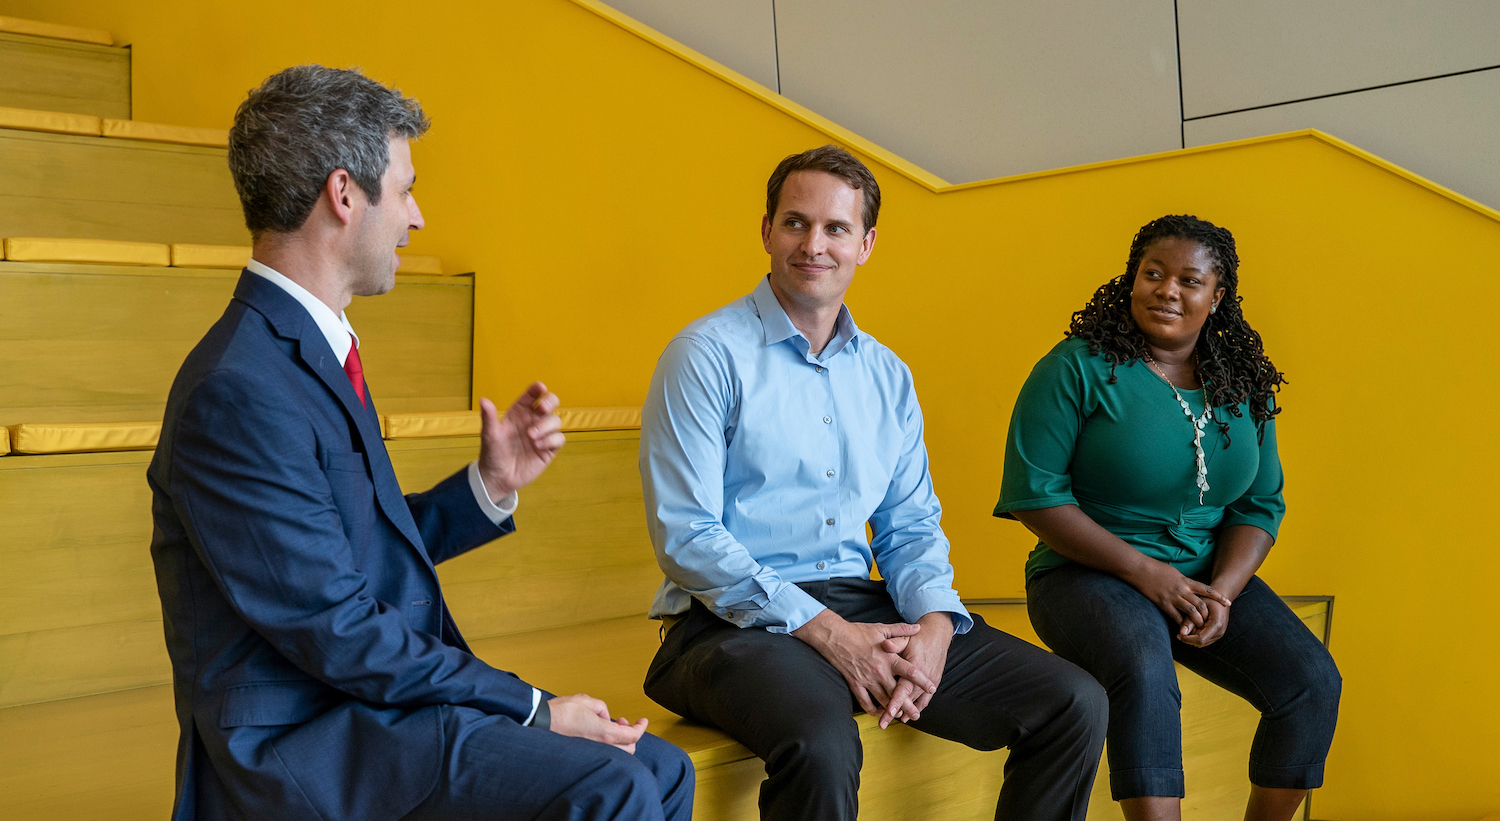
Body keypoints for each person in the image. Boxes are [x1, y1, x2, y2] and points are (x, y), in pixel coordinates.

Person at [147, 65, 692, 821]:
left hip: (366, 706)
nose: (419, 217)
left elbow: (343, 551)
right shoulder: (237, 388)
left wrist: (488, 485)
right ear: (344, 195)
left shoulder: (304, 349)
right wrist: (534, 705)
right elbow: (336, 626)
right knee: (615, 781)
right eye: (404, 189)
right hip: (307, 743)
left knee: (660, 766)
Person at [639, 144, 1107, 821]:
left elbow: (910, 524)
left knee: (1074, 701)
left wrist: (937, 625)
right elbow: (686, 537)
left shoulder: (887, 374)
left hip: (861, 605)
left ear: (867, 243)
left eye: (836, 228)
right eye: (796, 223)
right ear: (766, 231)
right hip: (724, 624)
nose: (813, 244)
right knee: (823, 739)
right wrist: (825, 632)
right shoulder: (706, 356)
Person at [995, 214, 1341, 821]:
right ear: (1131, 280)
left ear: (1218, 295)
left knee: (1311, 681)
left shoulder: (1244, 385)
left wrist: (1225, 594)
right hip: (1085, 574)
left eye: (1189, 279)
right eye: (1152, 274)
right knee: (1143, 664)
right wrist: (1145, 573)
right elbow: (1036, 495)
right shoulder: (1076, 367)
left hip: (1206, 578)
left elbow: (1257, 505)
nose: (1168, 290)